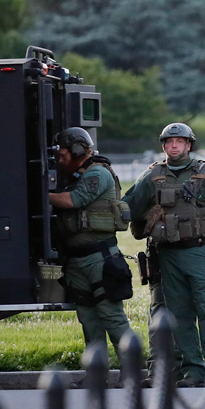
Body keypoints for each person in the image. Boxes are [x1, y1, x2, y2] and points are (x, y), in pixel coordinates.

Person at [124, 122, 205, 387]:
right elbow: (128, 206)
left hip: (200, 252)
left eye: (180, 141)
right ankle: (193, 372)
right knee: (179, 317)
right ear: (163, 146)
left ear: (189, 145)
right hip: (167, 256)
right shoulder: (152, 177)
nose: (174, 146)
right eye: (169, 142)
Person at [48, 127, 136, 361]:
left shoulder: (98, 173)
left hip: (99, 259)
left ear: (77, 150)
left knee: (112, 317)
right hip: (77, 260)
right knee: (88, 320)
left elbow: (74, 200)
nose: (59, 159)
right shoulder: (74, 176)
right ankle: (97, 374)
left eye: (63, 153)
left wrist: (37, 195)